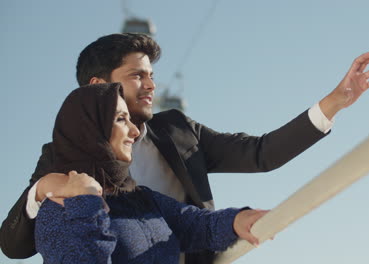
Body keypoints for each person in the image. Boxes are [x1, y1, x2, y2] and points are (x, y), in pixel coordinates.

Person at [0, 33, 369, 263]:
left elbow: (260, 153)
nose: (151, 85)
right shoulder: (62, 163)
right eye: (137, 75)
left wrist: (335, 102)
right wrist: (40, 191)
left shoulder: (179, 132)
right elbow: (15, 244)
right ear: (97, 87)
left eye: (152, 75)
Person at [34, 82, 267, 263]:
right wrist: (86, 204)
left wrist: (237, 220)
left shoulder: (140, 198)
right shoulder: (59, 211)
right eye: (121, 119)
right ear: (90, 130)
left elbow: (195, 224)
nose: (135, 130)